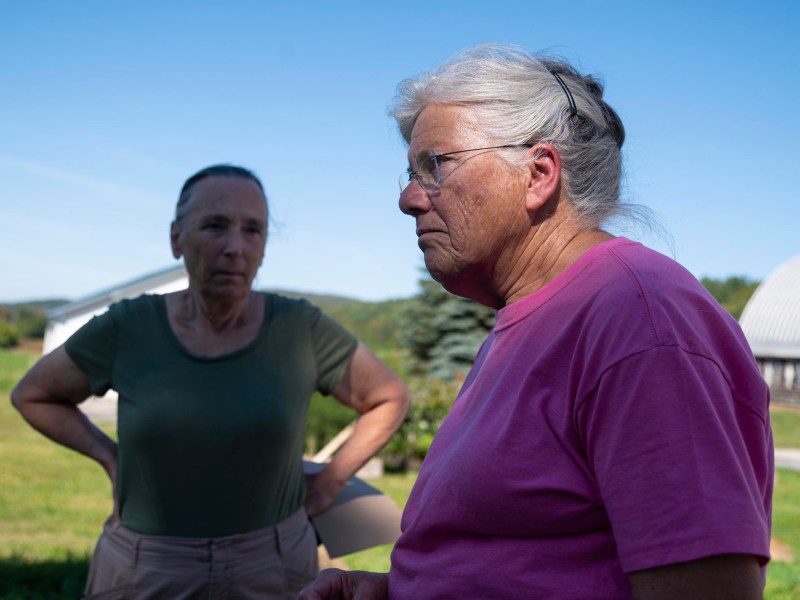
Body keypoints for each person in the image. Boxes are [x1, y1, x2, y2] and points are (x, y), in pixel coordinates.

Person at [299, 44, 773, 599]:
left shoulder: (637, 316)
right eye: (411, 172)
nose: (409, 199)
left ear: (538, 173)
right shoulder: (533, 319)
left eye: (436, 165)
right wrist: (396, 591)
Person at [11, 164, 411, 599]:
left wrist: (331, 481)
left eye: (252, 230)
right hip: (147, 566)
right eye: (215, 226)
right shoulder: (129, 327)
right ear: (176, 238)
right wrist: (110, 457)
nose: (235, 247)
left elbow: (388, 397)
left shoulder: (300, 329)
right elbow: (34, 395)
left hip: (273, 566)